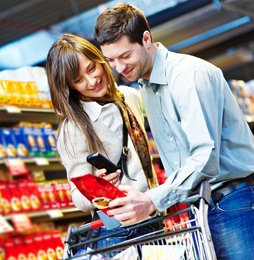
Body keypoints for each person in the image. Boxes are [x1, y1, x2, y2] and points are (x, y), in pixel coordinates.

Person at [94, 3, 254, 259]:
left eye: (125, 56)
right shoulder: (146, 86)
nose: (119, 68)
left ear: (146, 39)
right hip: (199, 207)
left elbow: (205, 158)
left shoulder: (188, 76)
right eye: (111, 60)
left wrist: (152, 200)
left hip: (233, 202)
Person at [45, 33, 159, 257]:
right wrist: (96, 188)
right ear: (69, 87)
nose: (91, 81)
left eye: (91, 68)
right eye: (78, 80)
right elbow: (77, 195)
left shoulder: (130, 96)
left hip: (153, 215)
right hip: (119, 231)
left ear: (100, 59)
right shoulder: (74, 128)